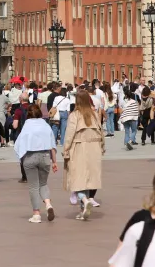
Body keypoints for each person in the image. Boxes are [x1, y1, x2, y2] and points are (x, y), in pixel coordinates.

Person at [63, 88, 105, 221]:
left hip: (78, 147)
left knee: (77, 179)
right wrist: (102, 147)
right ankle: (83, 210)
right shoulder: (94, 115)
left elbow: (69, 134)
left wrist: (66, 149)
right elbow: (101, 132)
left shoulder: (74, 115)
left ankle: (85, 201)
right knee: (87, 180)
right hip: (94, 149)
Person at [14, 104, 58, 223]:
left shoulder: (27, 126)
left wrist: (21, 157)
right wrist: (54, 162)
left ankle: (36, 214)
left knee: (33, 186)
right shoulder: (46, 126)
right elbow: (52, 145)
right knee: (43, 184)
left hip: (30, 157)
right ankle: (48, 204)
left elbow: (19, 143)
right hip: (45, 156)